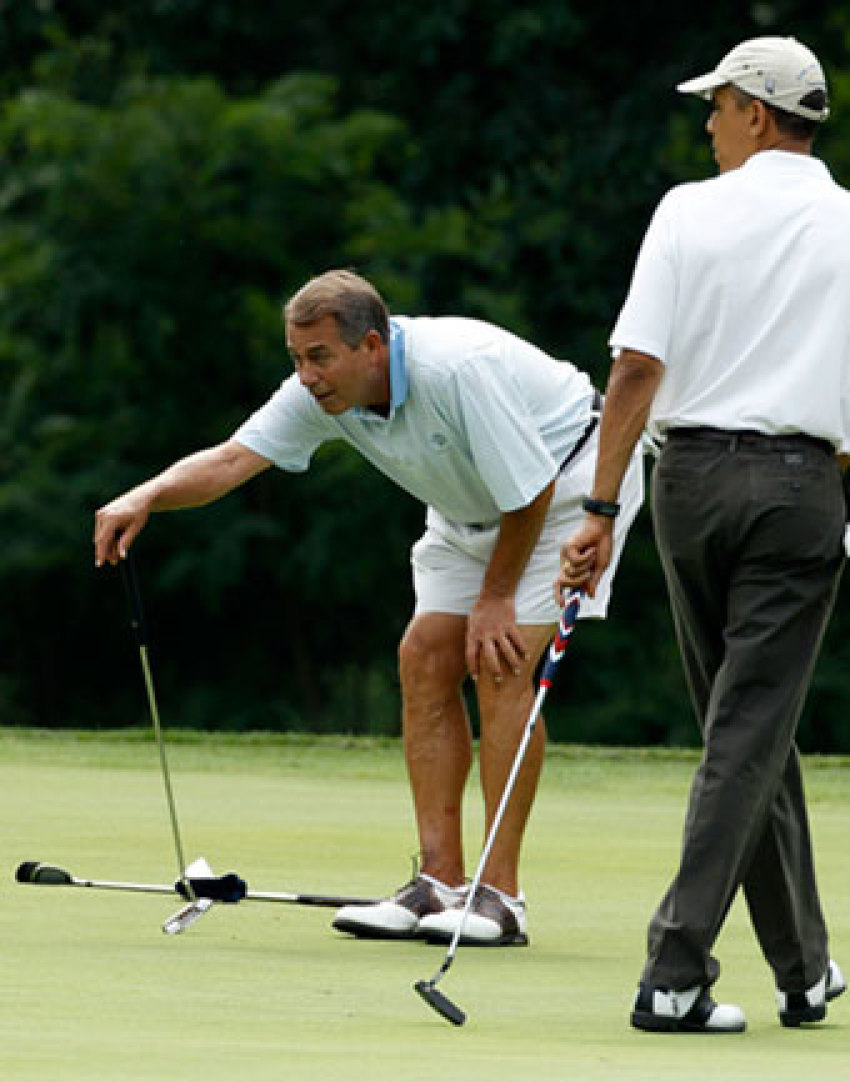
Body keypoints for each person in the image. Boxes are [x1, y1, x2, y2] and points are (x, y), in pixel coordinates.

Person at [94, 269, 643, 946]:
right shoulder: (321, 394)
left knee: (499, 662)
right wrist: (144, 496)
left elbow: (528, 492)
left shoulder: (456, 369)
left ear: (373, 348)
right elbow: (234, 460)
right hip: (470, 507)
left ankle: (500, 899)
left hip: (562, 493)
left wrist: (496, 599)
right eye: (297, 359)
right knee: (422, 657)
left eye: (319, 357)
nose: (307, 376)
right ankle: (438, 882)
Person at [558, 36, 849, 1032]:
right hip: (802, 486)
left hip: (687, 484)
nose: (709, 124)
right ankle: (675, 971)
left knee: (743, 724)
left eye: (718, 108)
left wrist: (597, 507)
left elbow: (635, 369)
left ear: (758, 114)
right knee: (749, 725)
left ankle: (800, 965)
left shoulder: (687, 207)